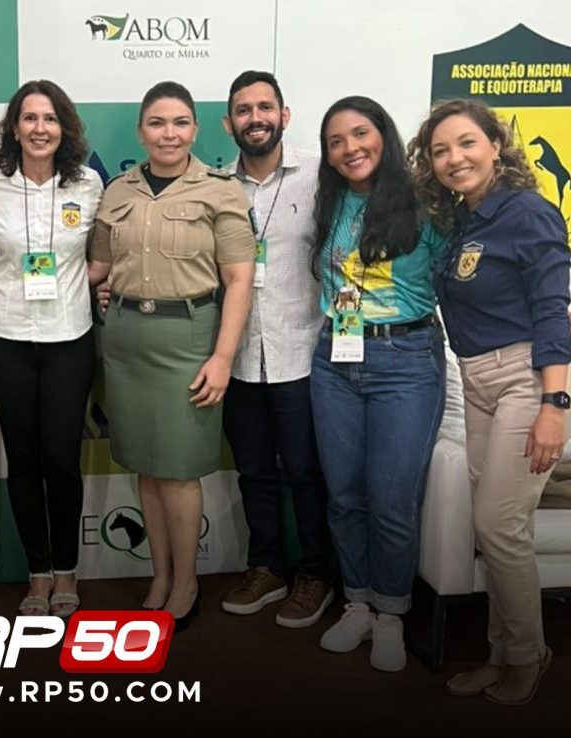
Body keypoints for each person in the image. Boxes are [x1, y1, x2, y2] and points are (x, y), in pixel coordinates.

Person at [409, 98, 569, 704]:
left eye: (467, 143)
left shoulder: (527, 212)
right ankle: (501, 653)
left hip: (524, 379)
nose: (454, 158)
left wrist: (555, 403)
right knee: (503, 528)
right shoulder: (462, 220)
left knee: (497, 525)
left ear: (496, 146)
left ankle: (527, 656)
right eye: (440, 151)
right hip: (476, 380)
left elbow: (553, 310)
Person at [88, 81, 256, 631]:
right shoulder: (117, 191)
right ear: (141, 131)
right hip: (126, 341)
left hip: (188, 341)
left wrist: (222, 357)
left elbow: (239, 279)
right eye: (157, 123)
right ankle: (159, 576)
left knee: (180, 473)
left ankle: (186, 583)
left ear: (195, 130)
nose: (169, 133)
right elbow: (97, 267)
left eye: (180, 122)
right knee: (147, 467)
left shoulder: (221, 192)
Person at [309, 96, 448, 672]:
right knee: (343, 494)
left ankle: (391, 612)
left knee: (392, 499)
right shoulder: (328, 200)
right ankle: (358, 603)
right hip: (334, 359)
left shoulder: (425, 201)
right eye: (336, 141)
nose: (350, 148)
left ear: (383, 136)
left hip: (406, 359)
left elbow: (463, 274)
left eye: (360, 134)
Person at [0, 81, 102, 618]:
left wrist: (96, 282)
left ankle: (67, 569)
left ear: (63, 128)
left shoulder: (89, 184)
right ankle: (38, 574)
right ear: (14, 128)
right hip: (6, 336)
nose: (39, 128)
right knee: (23, 461)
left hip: (69, 337)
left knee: (62, 460)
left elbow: (104, 253)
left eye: (49, 118)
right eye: (29, 118)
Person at [217, 71, 334, 628]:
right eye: (244, 110)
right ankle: (265, 567)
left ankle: (316, 574)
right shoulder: (217, 186)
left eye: (265, 107)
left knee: (307, 473)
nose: (255, 118)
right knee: (254, 470)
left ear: (284, 115)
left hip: (302, 352)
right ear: (229, 123)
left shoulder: (321, 176)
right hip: (239, 357)